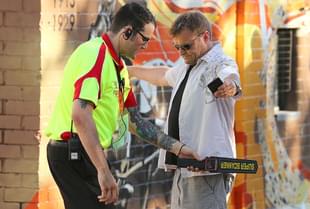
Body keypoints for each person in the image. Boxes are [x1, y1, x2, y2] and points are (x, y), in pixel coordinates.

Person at [45, 3, 199, 209]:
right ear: (127, 32)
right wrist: (103, 170)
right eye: (144, 39)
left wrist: (178, 148)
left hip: (86, 153)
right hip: (74, 154)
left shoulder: (119, 68)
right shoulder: (96, 54)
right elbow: (80, 115)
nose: (145, 46)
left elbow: (135, 122)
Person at [128, 11, 242, 209]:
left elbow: (230, 77)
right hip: (185, 169)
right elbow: (164, 75)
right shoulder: (188, 65)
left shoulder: (220, 62)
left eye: (186, 46)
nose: (182, 52)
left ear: (205, 36)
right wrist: (129, 71)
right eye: (177, 47)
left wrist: (230, 86)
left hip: (208, 172)